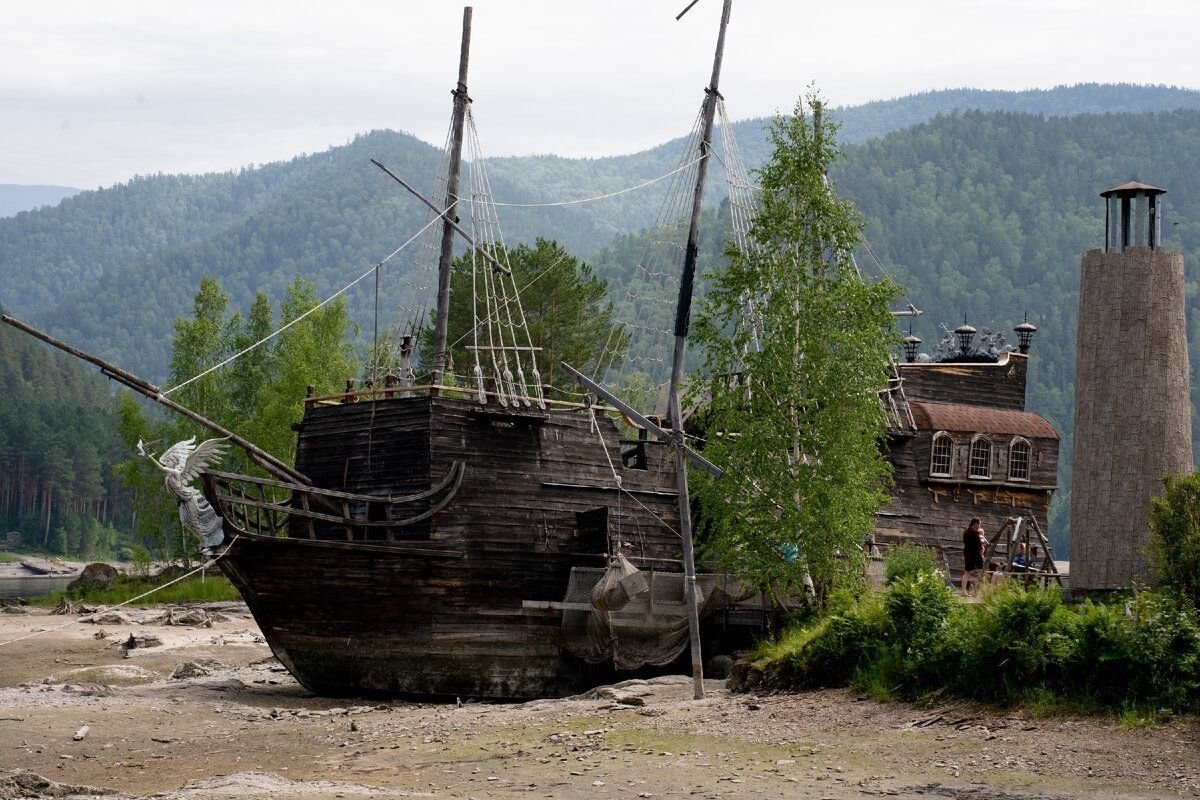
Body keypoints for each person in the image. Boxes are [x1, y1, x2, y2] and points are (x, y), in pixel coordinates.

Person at [961, 518, 987, 595]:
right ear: (975, 524)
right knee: (980, 572)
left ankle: (963, 591)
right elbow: (978, 545)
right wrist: (983, 543)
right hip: (975, 555)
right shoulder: (975, 532)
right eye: (979, 524)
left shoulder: (966, 531)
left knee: (967, 572)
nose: (979, 526)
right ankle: (976, 591)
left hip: (967, 554)